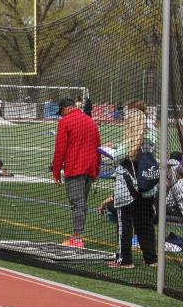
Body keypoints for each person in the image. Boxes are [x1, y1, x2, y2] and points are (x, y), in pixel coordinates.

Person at [107, 100, 158, 268]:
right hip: (148, 188)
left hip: (128, 190)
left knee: (124, 223)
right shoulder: (151, 138)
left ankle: (125, 259)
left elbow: (116, 157)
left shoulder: (128, 144)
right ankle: (151, 258)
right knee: (145, 224)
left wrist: (112, 149)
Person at [51, 98, 101, 248]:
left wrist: (56, 171)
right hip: (90, 168)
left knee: (77, 204)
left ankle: (78, 238)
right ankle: (78, 236)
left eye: (61, 112)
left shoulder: (65, 122)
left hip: (74, 168)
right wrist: (97, 169)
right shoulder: (91, 121)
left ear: (65, 109)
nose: (61, 115)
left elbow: (60, 149)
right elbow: (98, 146)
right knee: (82, 203)